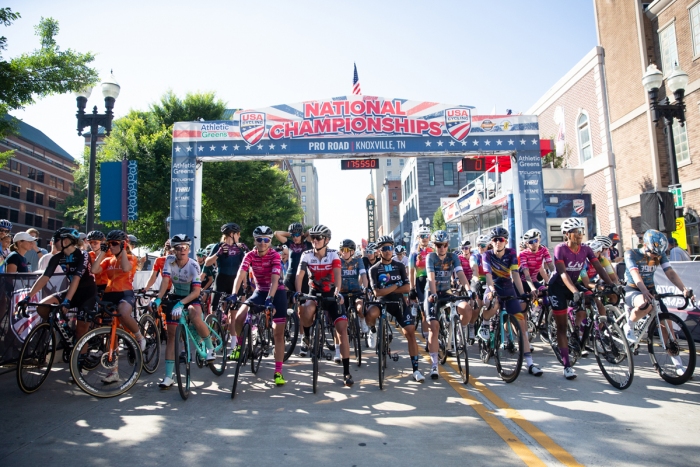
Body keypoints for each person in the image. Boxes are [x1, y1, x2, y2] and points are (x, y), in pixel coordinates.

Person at [548, 218, 613, 380]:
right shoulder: (560, 249)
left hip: (573, 284)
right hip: (558, 287)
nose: (579, 235)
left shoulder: (585, 249)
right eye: (576, 232)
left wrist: (611, 284)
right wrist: (574, 291)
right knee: (561, 327)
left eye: (581, 231)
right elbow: (562, 273)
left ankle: (580, 331)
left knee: (591, 300)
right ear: (567, 234)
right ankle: (567, 365)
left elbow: (598, 266)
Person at [623, 230, 692, 376]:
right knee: (644, 303)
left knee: (666, 325)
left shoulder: (660, 254)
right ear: (645, 245)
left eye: (657, 255)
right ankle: (629, 325)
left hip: (650, 289)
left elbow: (670, 273)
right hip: (633, 288)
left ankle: (677, 363)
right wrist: (643, 290)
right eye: (652, 254)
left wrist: (684, 289)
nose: (655, 257)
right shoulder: (632, 254)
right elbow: (635, 273)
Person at [151, 234, 215, 388]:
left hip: (191, 296)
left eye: (185, 247)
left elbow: (196, 292)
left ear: (189, 249)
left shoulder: (193, 265)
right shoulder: (168, 261)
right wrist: (158, 299)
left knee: (194, 313)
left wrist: (181, 303)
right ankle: (168, 376)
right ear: (173, 250)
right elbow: (165, 281)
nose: (182, 250)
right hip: (176, 295)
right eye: (178, 248)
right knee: (172, 335)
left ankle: (210, 348)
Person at [18, 228, 97, 351]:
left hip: (88, 294)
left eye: (56, 240)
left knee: (81, 332)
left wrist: (67, 301)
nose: (53, 243)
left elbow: (76, 278)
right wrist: (28, 296)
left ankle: (81, 362)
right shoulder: (58, 257)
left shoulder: (83, 255)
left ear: (65, 241)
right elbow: (45, 277)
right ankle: (63, 327)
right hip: (72, 291)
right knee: (43, 306)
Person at [228, 226, 288, 386]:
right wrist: (234, 294)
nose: (263, 243)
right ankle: (240, 347)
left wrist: (270, 298)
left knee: (278, 333)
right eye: (259, 239)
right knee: (239, 317)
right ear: (254, 240)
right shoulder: (249, 255)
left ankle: (278, 372)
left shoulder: (275, 255)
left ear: (270, 241)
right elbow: (240, 275)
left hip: (277, 292)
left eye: (266, 239)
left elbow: (275, 279)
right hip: (260, 291)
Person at [295, 224, 354, 386]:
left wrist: (337, 292)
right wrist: (299, 292)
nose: (314, 241)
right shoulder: (306, 255)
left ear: (326, 240)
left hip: (331, 293)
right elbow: (299, 275)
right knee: (305, 311)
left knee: (342, 330)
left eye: (318, 238)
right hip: (314, 292)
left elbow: (337, 275)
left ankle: (347, 372)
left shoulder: (334, 254)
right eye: (312, 238)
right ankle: (306, 336)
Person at [481, 226, 543, 377]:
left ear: (506, 241)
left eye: (501, 240)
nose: (498, 242)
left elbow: (515, 274)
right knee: (494, 304)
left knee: (522, 326)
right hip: (493, 286)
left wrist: (522, 294)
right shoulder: (487, 255)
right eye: (495, 240)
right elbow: (488, 275)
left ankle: (530, 363)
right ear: (492, 241)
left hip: (508, 287)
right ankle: (484, 323)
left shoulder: (512, 253)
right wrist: (492, 290)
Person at [366, 235, 425, 383]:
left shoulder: (399, 266)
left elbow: (407, 287)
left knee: (410, 332)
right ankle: (372, 331)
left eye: (390, 248)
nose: (388, 251)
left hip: (398, 303)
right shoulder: (374, 269)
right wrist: (395, 286)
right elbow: (377, 293)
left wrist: (389, 289)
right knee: (370, 313)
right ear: (379, 251)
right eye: (384, 249)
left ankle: (416, 370)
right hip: (382, 303)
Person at [90, 230, 146, 383]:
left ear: (123, 244)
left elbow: (126, 269)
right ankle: (113, 371)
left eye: (114, 244)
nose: (111, 246)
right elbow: (94, 270)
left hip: (125, 293)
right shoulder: (107, 260)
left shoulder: (130, 257)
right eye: (109, 244)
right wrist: (102, 252)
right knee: (111, 334)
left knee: (123, 313)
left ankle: (139, 336)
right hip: (109, 294)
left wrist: (121, 251)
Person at [425, 230, 472, 379]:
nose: (442, 248)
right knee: (434, 326)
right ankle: (434, 365)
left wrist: (469, 290)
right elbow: (431, 278)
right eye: (438, 245)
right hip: (432, 293)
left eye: (444, 245)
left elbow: (460, 274)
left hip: (447, 292)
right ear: (434, 245)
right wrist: (433, 294)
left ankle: (459, 332)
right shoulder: (430, 257)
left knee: (466, 308)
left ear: (448, 245)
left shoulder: (453, 257)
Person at [206, 223, 248, 313]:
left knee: (234, 316)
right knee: (213, 309)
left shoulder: (239, 248)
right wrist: (217, 254)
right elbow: (207, 263)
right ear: (232, 234)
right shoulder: (218, 246)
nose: (239, 236)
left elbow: (246, 266)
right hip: (221, 279)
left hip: (235, 281)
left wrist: (247, 252)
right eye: (238, 234)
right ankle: (213, 325)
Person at [339, 238, 369, 341]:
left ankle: (362, 319)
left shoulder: (358, 260)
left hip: (356, 291)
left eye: (346, 250)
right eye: (342, 249)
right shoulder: (338, 261)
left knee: (360, 309)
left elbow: (363, 275)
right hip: (342, 293)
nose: (343, 252)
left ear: (352, 251)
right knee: (341, 316)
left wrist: (365, 288)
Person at [409, 226, 433, 339]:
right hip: (420, 282)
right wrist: (412, 288)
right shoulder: (413, 254)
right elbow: (411, 272)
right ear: (418, 238)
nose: (424, 238)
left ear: (429, 237)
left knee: (435, 310)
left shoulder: (433, 251)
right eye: (422, 236)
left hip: (433, 282)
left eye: (426, 236)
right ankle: (428, 338)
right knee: (425, 311)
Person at [519, 228, 554, 292]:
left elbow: (550, 265)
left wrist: (551, 282)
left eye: (536, 240)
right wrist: (532, 288)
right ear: (527, 244)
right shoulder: (523, 254)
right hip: (522, 282)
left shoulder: (544, 250)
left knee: (547, 292)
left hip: (534, 281)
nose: (534, 244)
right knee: (523, 301)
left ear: (539, 240)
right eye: (531, 242)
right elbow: (527, 275)